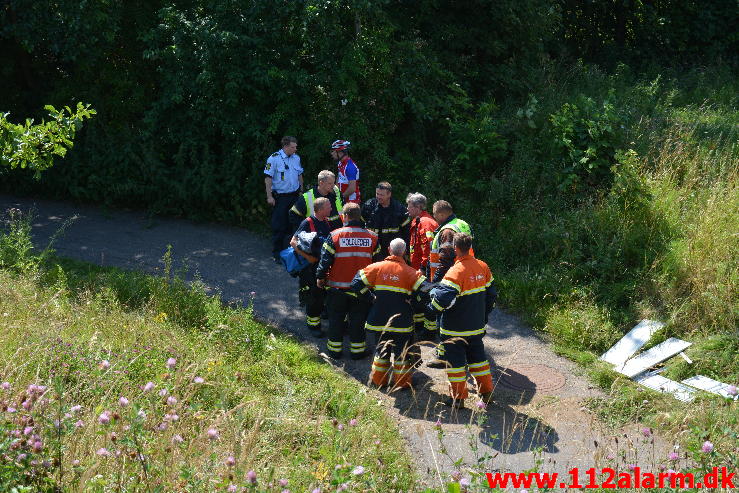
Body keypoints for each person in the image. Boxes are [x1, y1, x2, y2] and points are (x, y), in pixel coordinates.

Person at [426, 233, 497, 408]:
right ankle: (486, 393)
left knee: (456, 365)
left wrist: (429, 310)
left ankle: (458, 399)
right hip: (476, 326)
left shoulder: (455, 272)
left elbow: (442, 300)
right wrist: (483, 315)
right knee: (479, 360)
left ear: (456, 249)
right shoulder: (483, 267)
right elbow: (491, 296)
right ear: (470, 246)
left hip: (455, 329)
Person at [351, 238, 426, 389]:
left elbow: (355, 284)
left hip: (379, 321)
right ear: (404, 252)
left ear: (389, 249)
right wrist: (413, 301)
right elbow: (426, 292)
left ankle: (379, 381)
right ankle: (402, 383)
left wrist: (370, 298)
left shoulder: (376, 267)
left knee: (382, 350)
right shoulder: (411, 273)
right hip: (402, 323)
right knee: (401, 354)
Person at [316, 202, 379, 359]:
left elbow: (325, 260)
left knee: (336, 319)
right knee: (358, 320)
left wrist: (320, 277)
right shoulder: (372, 237)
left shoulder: (335, 235)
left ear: (344, 217)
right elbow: (378, 264)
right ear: (359, 216)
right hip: (362, 289)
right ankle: (357, 352)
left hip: (337, 288)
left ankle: (334, 351)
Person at [290, 197, 332, 337]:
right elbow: (293, 242)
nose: (331, 209)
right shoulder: (307, 223)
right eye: (328, 207)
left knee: (322, 294)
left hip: (321, 266)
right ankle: (313, 325)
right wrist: (308, 258)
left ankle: (321, 315)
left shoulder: (326, 222)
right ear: (320, 210)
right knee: (313, 296)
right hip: (310, 268)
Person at [264, 136, 303, 262]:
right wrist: (269, 196)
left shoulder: (296, 158)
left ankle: (291, 253)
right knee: (279, 225)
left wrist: (301, 191)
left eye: (296, 146)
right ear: (285, 146)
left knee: (294, 224)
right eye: (293, 147)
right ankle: (277, 254)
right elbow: (268, 178)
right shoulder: (274, 158)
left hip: (295, 196)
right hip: (280, 197)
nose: (295, 149)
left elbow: (299, 175)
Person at [406, 192, 439, 336]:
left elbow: (429, 249)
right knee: (417, 298)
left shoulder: (426, 223)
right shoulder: (417, 220)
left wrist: (423, 268)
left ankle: (429, 331)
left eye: (409, 205)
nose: (407, 208)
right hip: (417, 268)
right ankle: (419, 325)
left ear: (418, 207)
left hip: (425, 270)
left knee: (425, 299)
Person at [361, 182, 410, 262]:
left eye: (381, 195)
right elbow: (360, 226)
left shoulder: (399, 210)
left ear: (389, 194)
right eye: (377, 194)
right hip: (372, 251)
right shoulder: (369, 207)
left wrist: (405, 252)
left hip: (391, 252)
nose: (378, 197)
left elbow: (407, 233)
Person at [331, 140, 361, 204]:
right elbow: (339, 178)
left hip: (351, 203)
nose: (332, 153)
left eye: (333, 151)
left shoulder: (350, 167)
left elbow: (352, 188)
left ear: (340, 152)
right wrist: (335, 191)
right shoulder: (340, 163)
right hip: (343, 200)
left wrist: (340, 198)